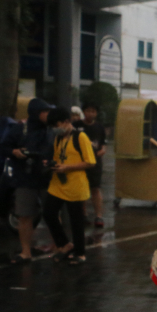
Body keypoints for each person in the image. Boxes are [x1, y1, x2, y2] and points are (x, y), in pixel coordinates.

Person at [1, 98, 54, 264]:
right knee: (24, 216)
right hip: (25, 177)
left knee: (53, 214)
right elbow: (3, 148)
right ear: (37, 113)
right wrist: (15, 152)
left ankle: (58, 247)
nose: (49, 115)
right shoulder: (20, 129)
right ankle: (25, 251)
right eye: (46, 112)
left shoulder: (54, 130)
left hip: (48, 178)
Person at [43, 108, 96, 264]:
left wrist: (67, 168)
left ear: (66, 122)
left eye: (57, 125)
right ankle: (65, 244)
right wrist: (51, 164)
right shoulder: (59, 138)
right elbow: (58, 157)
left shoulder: (80, 137)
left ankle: (80, 253)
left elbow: (90, 162)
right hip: (58, 183)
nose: (55, 128)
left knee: (76, 220)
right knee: (48, 213)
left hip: (75, 184)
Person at [77, 101, 107, 227]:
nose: (90, 114)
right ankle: (83, 215)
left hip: (95, 164)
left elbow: (103, 147)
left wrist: (95, 155)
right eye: (88, 111)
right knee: (81, 188)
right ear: (83, 112)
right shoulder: (76, 126)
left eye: (93, 111)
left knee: (95, 188)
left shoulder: (99, 127)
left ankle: (98, 216)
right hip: (79, 163)